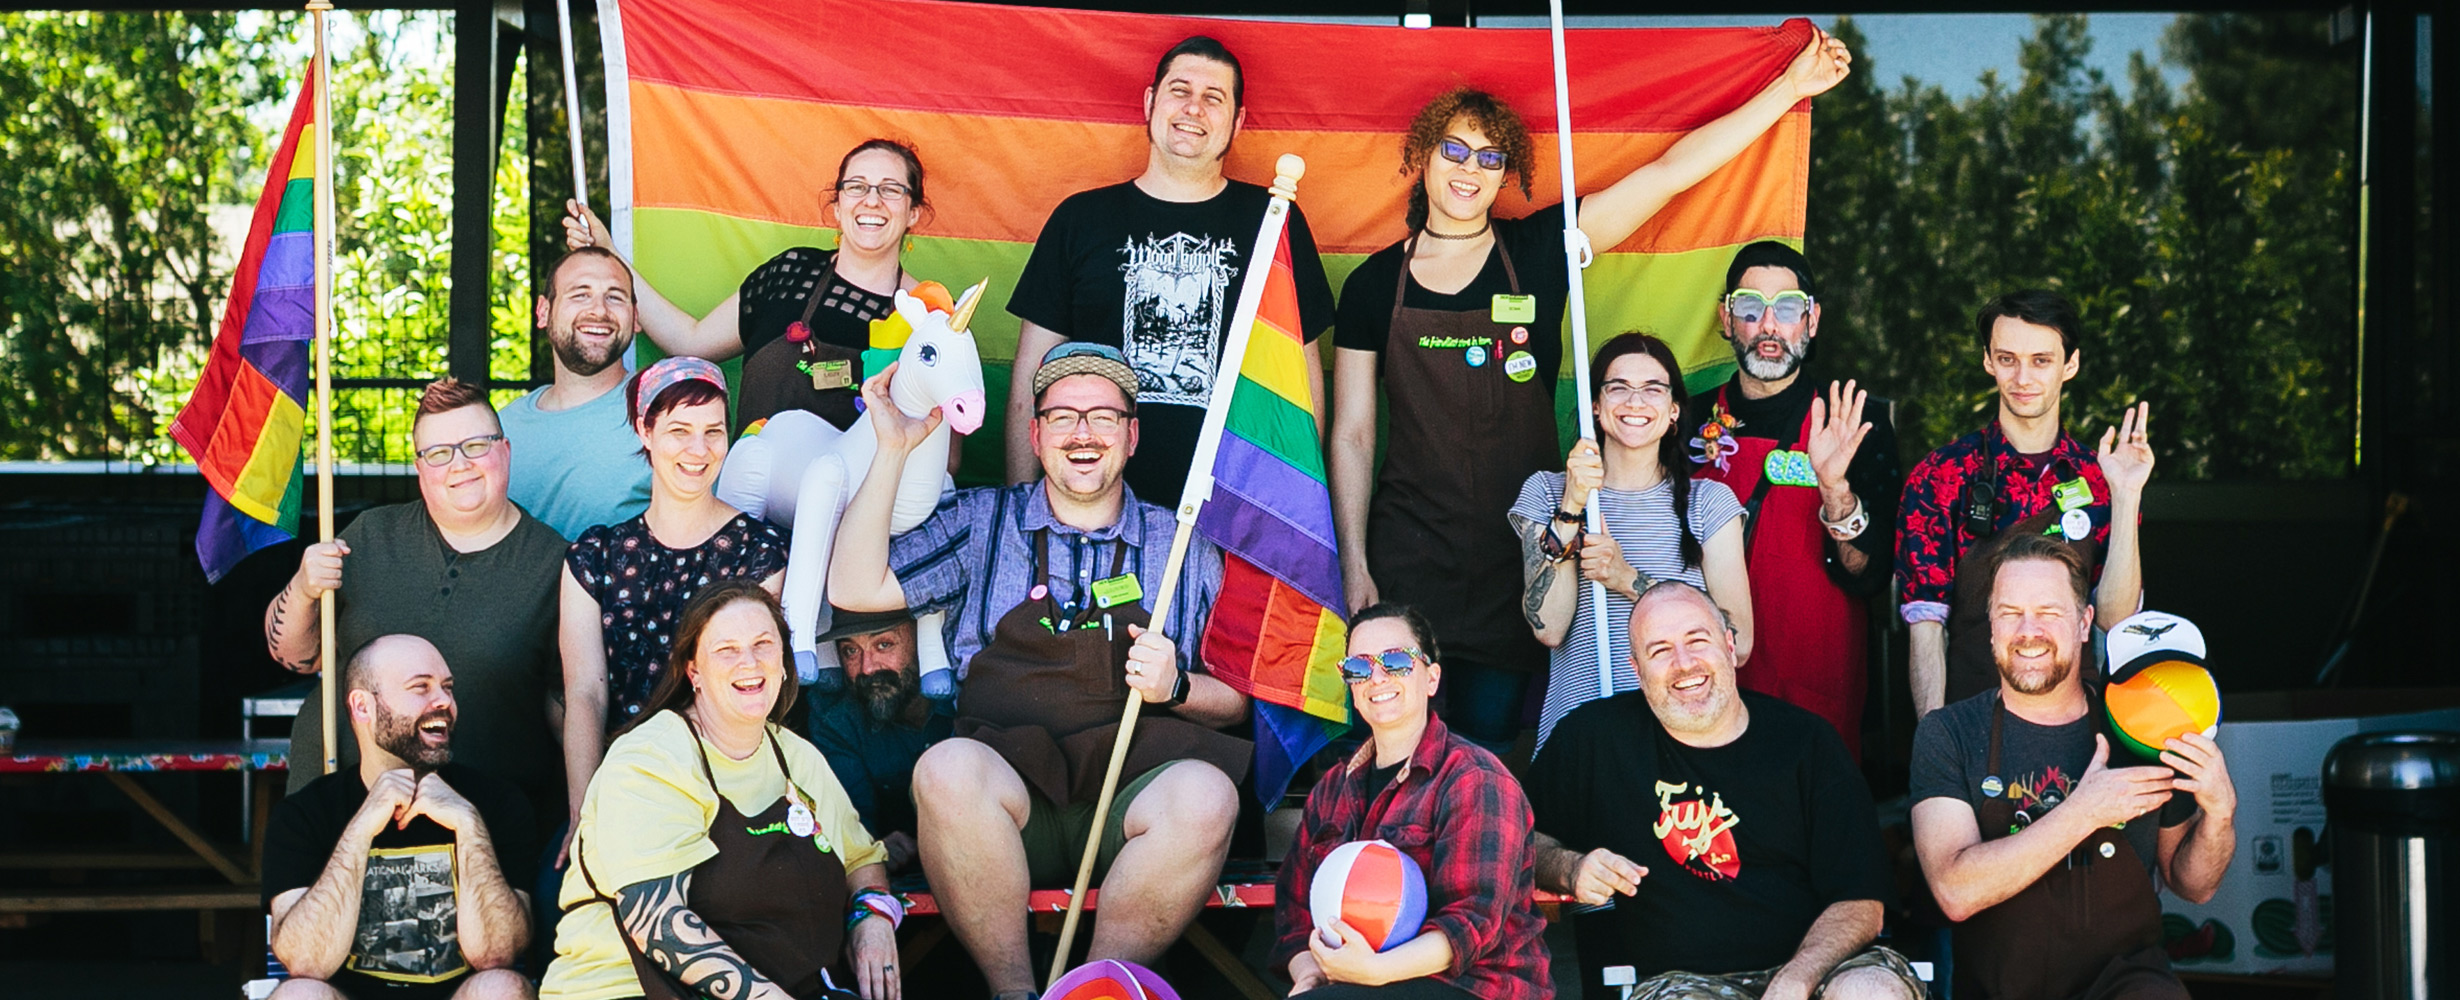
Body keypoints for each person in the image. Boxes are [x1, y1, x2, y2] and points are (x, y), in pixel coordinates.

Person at [1331, 34, 1852, 749]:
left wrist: (1791, 89)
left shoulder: (1543, 252)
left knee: (1488, 761)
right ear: (1423, 158)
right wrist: (1354, 563)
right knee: (1397, 752)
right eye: (1455, 150)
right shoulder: (1369, 285)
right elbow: (1354, 434)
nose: (1470, 170)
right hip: (1407, 558)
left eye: (1491, 157)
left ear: (1507, 172)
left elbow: (1669, 174)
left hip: (1529, 551)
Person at [830, 343, 1249, 1000]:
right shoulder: (981, 521)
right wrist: (891, 448)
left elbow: (1245, 704)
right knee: (943, 771)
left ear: (1133, 435)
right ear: (1035, 432)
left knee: (1208, 796)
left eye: (1104, 417)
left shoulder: (1186, 545)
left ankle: (1092, 990)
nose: (1083, 434)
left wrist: (1179, 688)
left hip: (1135, 807)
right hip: (1009, 809)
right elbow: (854, 586)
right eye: (1062, 417)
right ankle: (1015, 992)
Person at [1526, 582, 1921, 1000]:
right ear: (1636, 669)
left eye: (1698, 640)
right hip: (1681, 982)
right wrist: (1571, 868)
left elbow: (1863, 900)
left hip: (1825, 966)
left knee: (1871, 991)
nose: (1684, 663)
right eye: (1660, 650)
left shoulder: (1807, 742)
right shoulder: (1594, 739)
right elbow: (1516, 844)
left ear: (1730, 647)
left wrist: (1797, 978)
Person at [1004, 35, 1337, 507]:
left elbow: (1302, 391)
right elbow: (1030, 384)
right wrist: (1022, 506)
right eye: (1179, 91)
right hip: (1090, 512)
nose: (1193, 109)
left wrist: (1288, 511)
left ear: (1238, 121)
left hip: (1233, 516)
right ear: (1150, 102)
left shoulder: (1274, 222)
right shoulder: (1080, 219)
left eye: (1213, 98)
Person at [1911, 537, 2235, 1000]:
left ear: (2085, 623)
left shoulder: (2143, 724)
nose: (2028, 630)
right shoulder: (1949, 734)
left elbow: (2193, 884)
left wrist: (2220, 817)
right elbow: (1955, 892)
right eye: (2010, 612)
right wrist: (2085, 811)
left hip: (2126, 985)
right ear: (1990, 627)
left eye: (2048, 612)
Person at [542, 582, 900, 1000]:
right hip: (626, 990)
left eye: (763, 645)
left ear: (784, 661)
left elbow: (862, 858)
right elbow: (657, 924)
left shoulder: (796, 757)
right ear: (694, 672)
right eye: (726, 650)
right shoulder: (651, 758)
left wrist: (871, 917)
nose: (749, 662)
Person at [266, 379, 568, 826]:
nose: (459, 465)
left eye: (476, 445)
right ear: (419, 466)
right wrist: (304, 586)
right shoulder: (370, 536)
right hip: (337, 802)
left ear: (505, 450)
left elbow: (573, 705)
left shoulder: (557, 564)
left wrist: (588, 809)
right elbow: (295, 657)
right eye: (439, 452)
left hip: (477, 825)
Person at [560, 357, 789, 857]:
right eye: (679, 430)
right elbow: (584, 695)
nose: (698, 449)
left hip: (727, 789)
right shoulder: (594, 557)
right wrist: (586, 810)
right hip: (621, 785)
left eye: (713, 431)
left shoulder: (761, 552)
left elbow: (751, 691)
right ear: (645, 431)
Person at [561, 140, 940, 436]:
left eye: (891, 190)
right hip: (753, 517)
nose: (871, 200)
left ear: (914, 213)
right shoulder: (789, 272)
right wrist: (611, 255)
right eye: (856, 186)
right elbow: (690, 343)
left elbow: (945, 454)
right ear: (838, 206)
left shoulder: (929, 316)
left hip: (861, 522)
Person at [1682, 242, 1899, 757]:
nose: (1769, 327)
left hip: (1813, 689)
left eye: (1787, 308)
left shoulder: (1854, 423)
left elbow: (1871, 576)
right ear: (1726, 319)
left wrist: (1836, 490)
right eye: (1751, 308)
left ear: (1813, 319)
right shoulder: (1681, 421)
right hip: (1701, 682)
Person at [1274, 604, 1549, 1000]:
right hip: (1359, 987)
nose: (1377, 677)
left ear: (1432, 678)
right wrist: (1311, 975)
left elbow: (1473, 921)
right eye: (1359, 667)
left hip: (1473, 988)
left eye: (1397, 661)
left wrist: (1375, 971)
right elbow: (1295, 914)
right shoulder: (1331, 789)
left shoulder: (1475, 778)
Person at [1899, 289, 2154, 715]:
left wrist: (2127, 496)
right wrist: (1936, 744)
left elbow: (2114, 619)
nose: (2022, 378)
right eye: (2007, 359)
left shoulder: (2100, 476)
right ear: (1988, 361)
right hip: (1974, 719)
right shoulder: (1941, 477)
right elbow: (1926, 629)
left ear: (2069, 365)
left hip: (2078, 726)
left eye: (2041, 360)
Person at [264, 635, 538, 1000]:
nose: (444, 701)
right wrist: (360, 829)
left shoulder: (497, 803)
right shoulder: (304, 815)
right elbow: (304, 961)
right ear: (363, 707)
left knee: (503, 988)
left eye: (447, 688)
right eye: (420, 688)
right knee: (298, 995)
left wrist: (469, 826)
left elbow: (498, 953)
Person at [1512, 333, 1752, 749]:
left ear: (1674, 410)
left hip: (1679, 742)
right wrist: (1572, 506)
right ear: (1595, 407)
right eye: (1618, 387)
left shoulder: (1709, 503)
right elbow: (1547, 627)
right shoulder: (1547, 494)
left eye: (1653, 389)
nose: (1636, 402)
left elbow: (1739, 642)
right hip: (1579, 737)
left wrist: (1626, 578)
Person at [499, 246, 654, 539]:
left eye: (614, 297)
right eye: (580, 294)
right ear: (543, 311)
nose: (598, 310)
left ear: (635, 318)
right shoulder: (501, 429)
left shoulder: (662, 417)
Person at [802, 604, 952, 872]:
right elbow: (852, 825)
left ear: (921, 641)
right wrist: (875, 844)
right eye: (851, 651)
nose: (867, 668)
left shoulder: (962, 697)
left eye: (883, 645)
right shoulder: (837, 719)